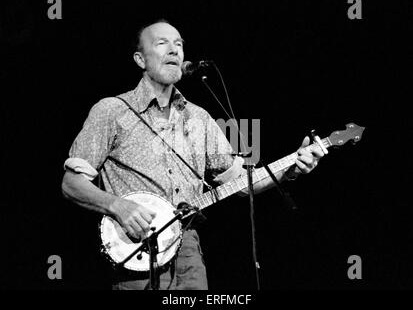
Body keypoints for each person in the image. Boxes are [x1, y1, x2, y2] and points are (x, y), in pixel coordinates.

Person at [61, 19, 324, 290]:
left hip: (188, 249)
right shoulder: (111, 111)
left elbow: (243, 184)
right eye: (162, 43)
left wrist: (293, 165)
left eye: (178, 44)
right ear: (140, 59)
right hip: (137, 248)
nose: (174, 50)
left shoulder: (200, 118)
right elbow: (71, 184)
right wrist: (117, 206)